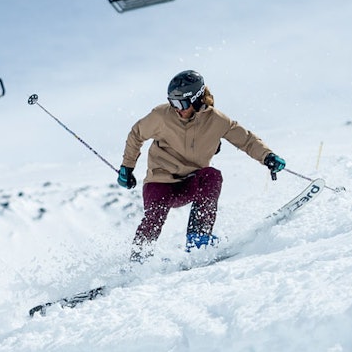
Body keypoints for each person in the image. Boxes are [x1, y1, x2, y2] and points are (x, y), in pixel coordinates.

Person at [117, 69, 286, 260]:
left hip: (190, 181)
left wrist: (268, 156)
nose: (176, 108)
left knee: (212, 175)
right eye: (172, 102)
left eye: (181, 103)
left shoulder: (218, 121)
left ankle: (198, 240)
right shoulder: (161, 115)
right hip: (160, 180)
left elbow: (246, 140)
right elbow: (136, 134)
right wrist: (127, 167)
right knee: (155, 214)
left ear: (197, 100)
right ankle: (138, 259)